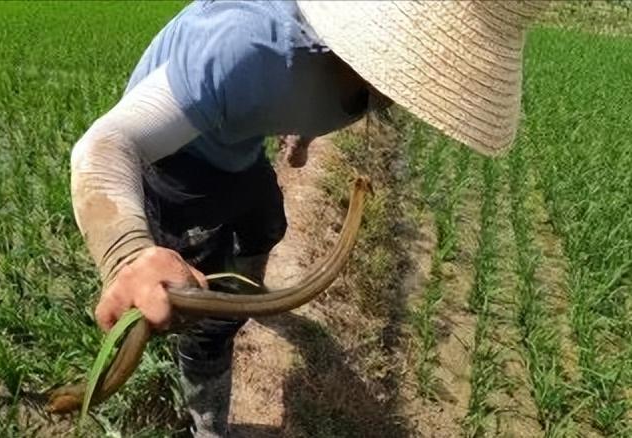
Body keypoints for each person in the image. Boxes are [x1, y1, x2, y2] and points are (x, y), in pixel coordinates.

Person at [69, 1, 547, 436]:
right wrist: (128, 253)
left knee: (266, 224)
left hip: (239, 146)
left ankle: (245, 299)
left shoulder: (366, 67)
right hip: (178, 158)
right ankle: (207, 424)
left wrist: (301, 137)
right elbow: (107, 144)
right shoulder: (246, 47)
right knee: (207, 322)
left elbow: (311, 93)